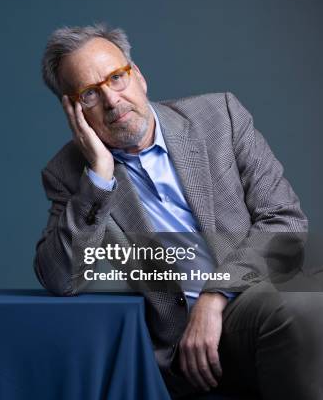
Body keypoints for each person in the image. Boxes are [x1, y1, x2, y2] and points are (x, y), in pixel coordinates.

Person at [33, 24, 323, 399]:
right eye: (89, 94)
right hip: (185, 337)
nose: (111, 100)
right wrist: (99, 177)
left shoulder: (220, 116)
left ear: (138, 75)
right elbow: (61, 279)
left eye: (116, 78)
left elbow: (285, 222)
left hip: (253, 290)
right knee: (302, 309)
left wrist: (215, 296)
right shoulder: (70, 175)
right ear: (71, 109)